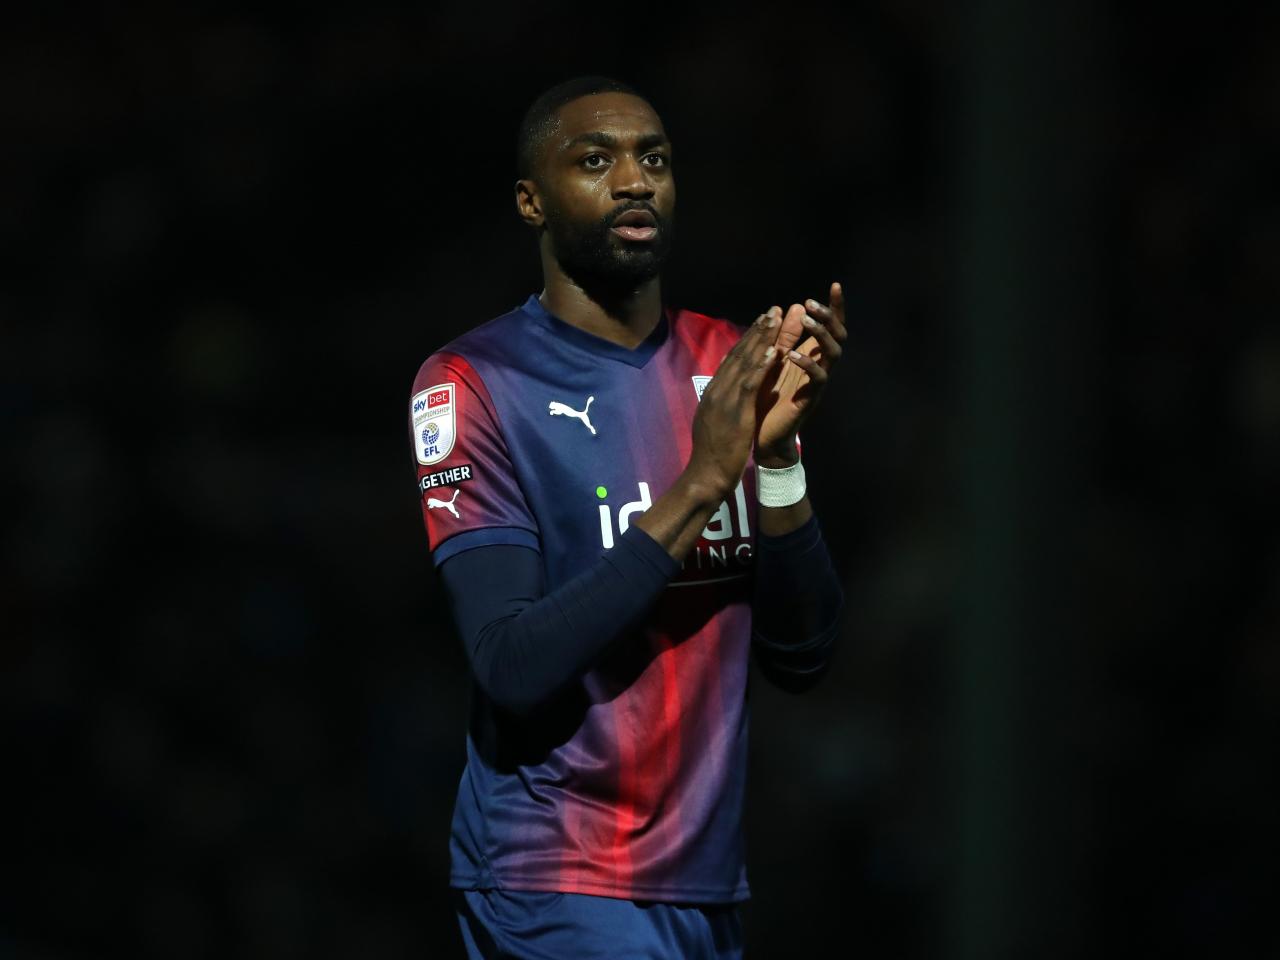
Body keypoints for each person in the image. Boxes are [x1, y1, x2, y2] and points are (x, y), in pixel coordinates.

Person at [407, 75, 846, 959]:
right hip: (554, 879)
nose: (635, 180)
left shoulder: (728, 363)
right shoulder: (472, 385)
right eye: (596, 161)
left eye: (654, 158)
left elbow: (804, 654)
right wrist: (701, 481)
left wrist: (773, 461)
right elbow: (511, 663)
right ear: (532, 201)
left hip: (705, 883)